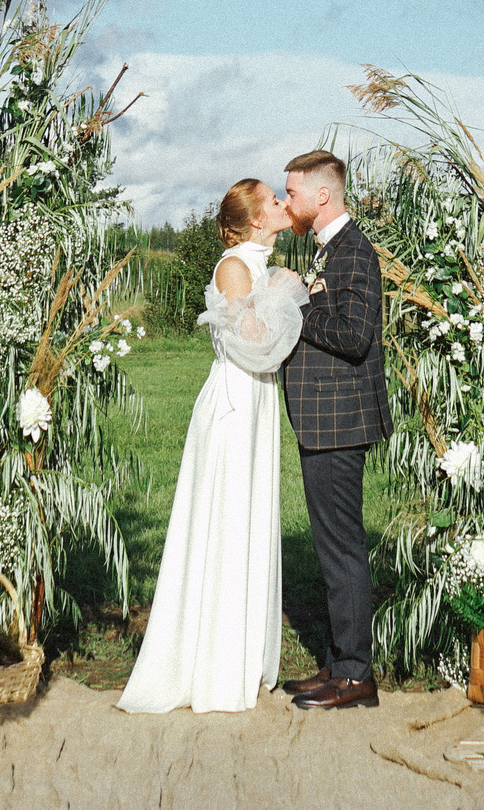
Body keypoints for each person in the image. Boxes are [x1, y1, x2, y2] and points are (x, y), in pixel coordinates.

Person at [117, 179, 311, 714]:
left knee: (249, 518)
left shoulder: (260, 266)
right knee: (226, 520)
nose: (282, 205)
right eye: (274, 201)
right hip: (232, 404)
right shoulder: (234, 266)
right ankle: (215, 667)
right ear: (253, 220)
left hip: (256, 404)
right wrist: (286, 292)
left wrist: (283, 289)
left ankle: (243, 658)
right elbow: (253, 343)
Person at [277, 148, 387, 711]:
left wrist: (296, 301)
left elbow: (352, 336)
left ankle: (355, 677)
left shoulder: (354, 252)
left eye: (291, 191)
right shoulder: (331, 250)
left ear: (323, 195)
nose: (287, 200)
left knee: (342, 547)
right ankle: (341, 663)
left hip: (340, 424)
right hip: (324, 423)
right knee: (331, 547)